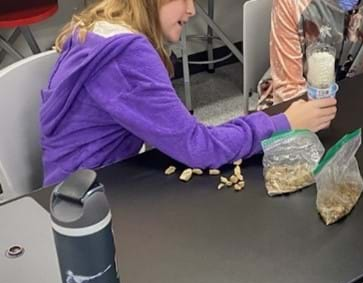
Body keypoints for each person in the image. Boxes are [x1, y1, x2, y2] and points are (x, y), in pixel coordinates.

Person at [40, 0, 337, 186]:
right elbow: (198, 147)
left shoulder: (101, 26)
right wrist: (283, 124)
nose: (192, 9)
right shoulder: (127, 56)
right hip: (92, 199)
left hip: (75, 181)